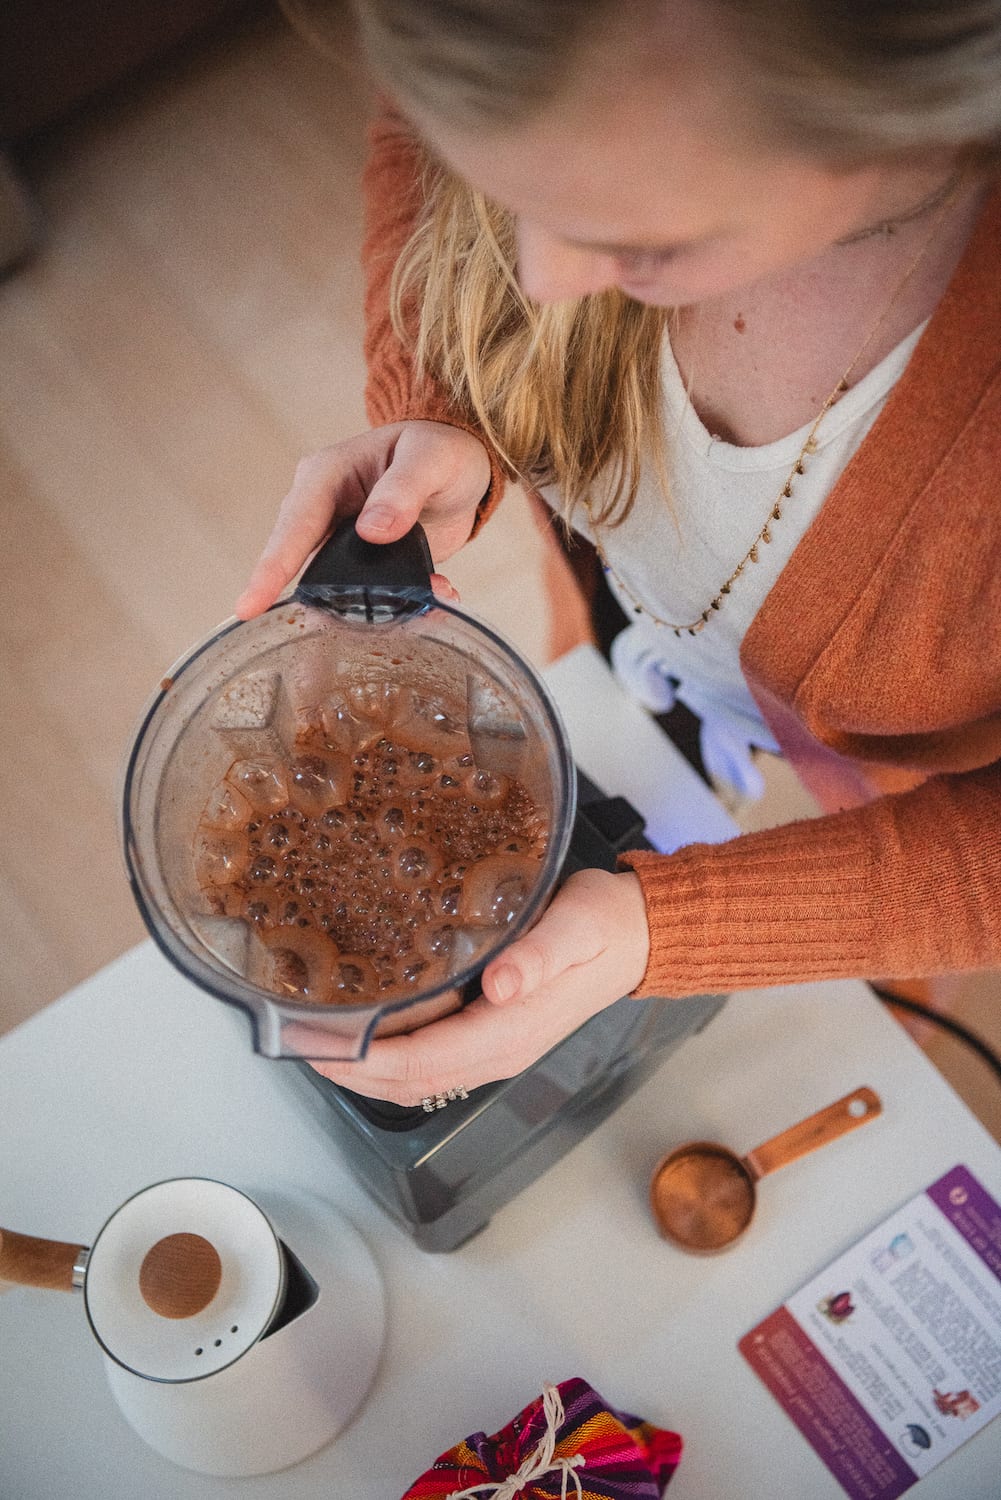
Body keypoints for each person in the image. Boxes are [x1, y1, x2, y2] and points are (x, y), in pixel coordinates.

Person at [235, 0, 1001, 1105]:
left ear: (914, 112)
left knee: (881, 973)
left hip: (879, 775)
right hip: (633, 617)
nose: (539, 278)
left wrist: (674, 929)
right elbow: (433, 131)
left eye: (646, 239)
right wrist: (446, 406)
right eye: (514, 196)